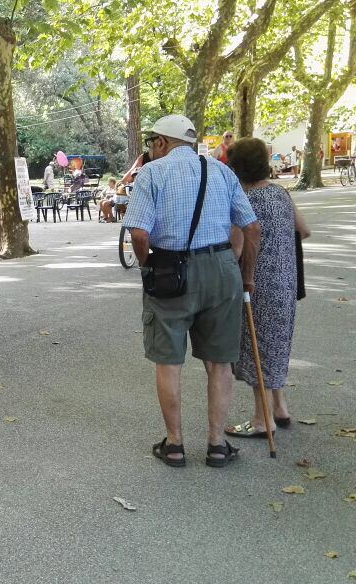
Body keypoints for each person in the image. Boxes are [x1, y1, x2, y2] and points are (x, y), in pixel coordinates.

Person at [122, 114, 261, 469]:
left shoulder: (152, 174)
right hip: (221, 268)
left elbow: (139, 234)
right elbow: (251, 228)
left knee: (168, 360)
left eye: (152, 142)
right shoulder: (221, 171)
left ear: (162, 143)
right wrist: (245, 276)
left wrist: (145, 266)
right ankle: (216, 444)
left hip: (169, 269)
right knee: (219, 361)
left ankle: (175, 445)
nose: (151, 149)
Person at [224, 138, 312, 439]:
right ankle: (279, 406)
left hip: (256, 285)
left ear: (236, 169)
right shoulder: (281, 193)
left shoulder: (243, 201)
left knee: (256, 349)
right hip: (286, 283)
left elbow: (236, 250)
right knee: (275, 343)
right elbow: (305, 230)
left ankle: (262, 420)